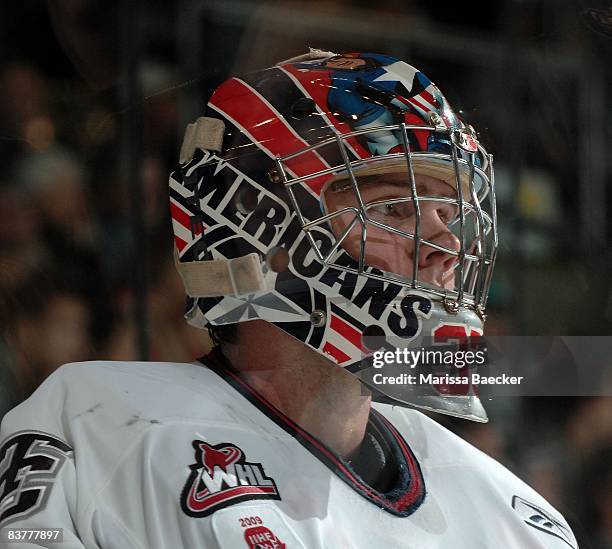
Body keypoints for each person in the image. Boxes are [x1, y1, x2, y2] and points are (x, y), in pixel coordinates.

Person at [0, 50, 578, 548]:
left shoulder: (517, 519)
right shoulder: (94, 427)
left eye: (449, 216)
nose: (446, 248)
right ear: (262, 231)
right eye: (395, 210)